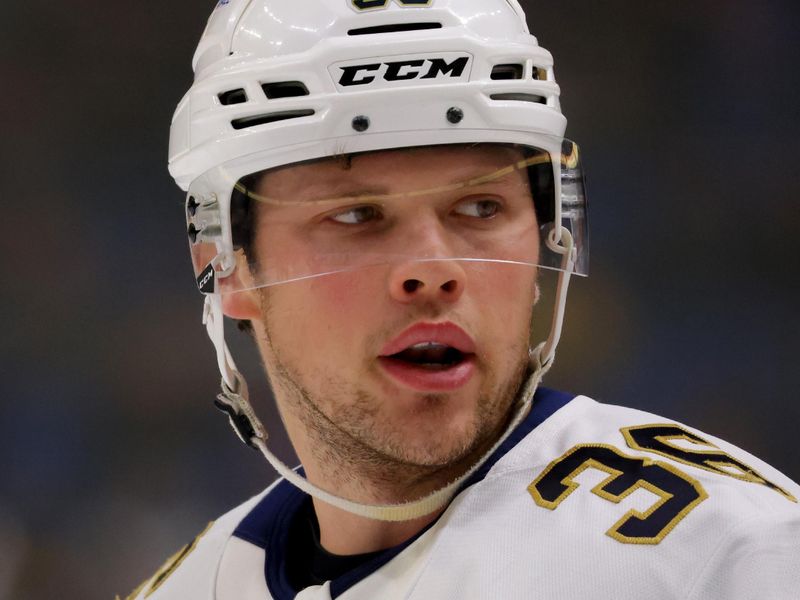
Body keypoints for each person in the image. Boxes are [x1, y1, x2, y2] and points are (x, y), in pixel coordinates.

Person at [122, 0, 800, 598]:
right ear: (226, 266)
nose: (434, 270)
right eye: (357, 216)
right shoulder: (180, 589)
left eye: (480, 206)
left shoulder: (731, 557)